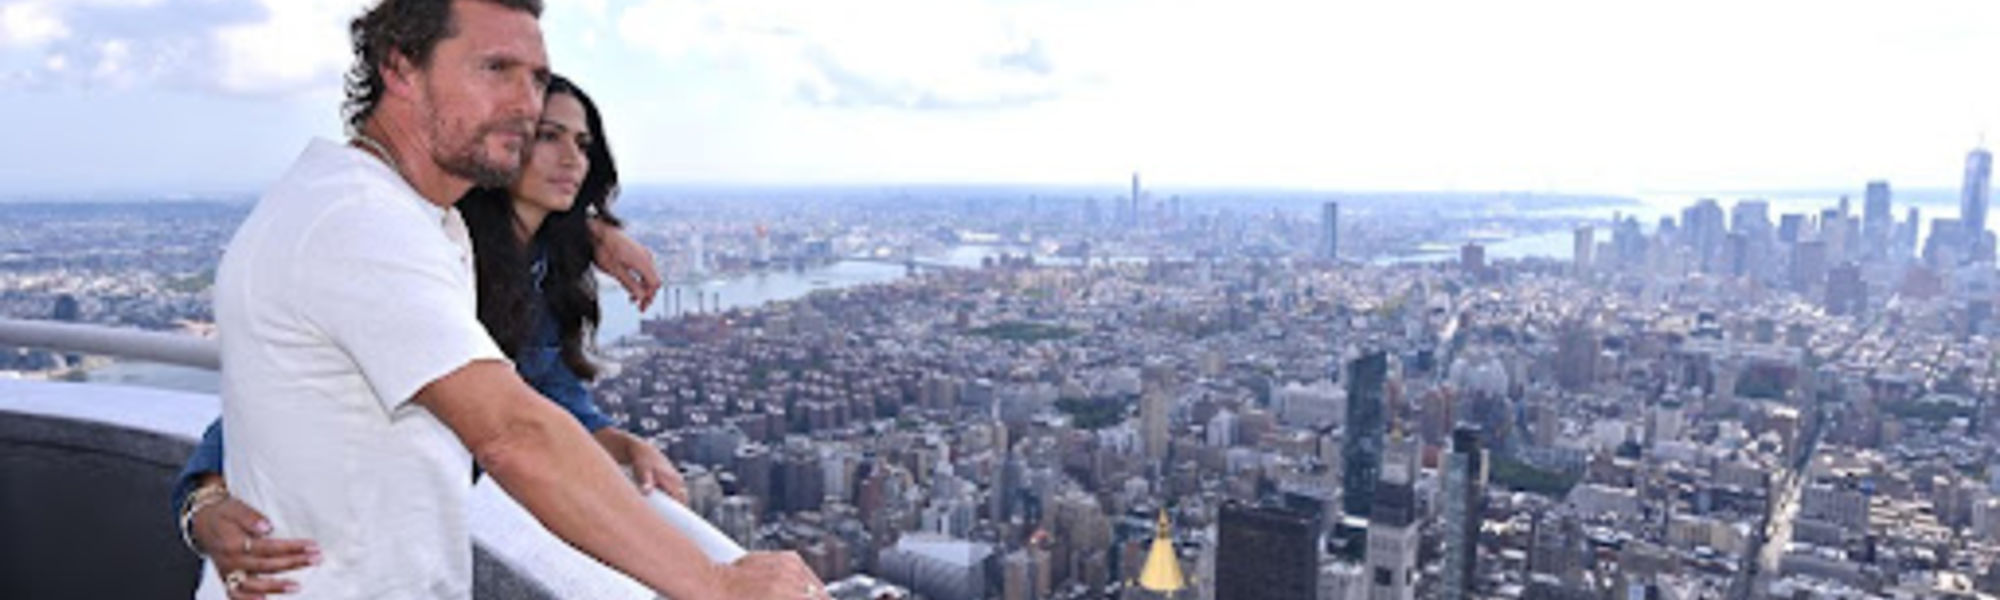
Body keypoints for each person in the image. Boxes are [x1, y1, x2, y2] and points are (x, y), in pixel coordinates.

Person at [201, 0, 824, 598]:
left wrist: (587, 232)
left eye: (536, 78)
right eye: (495, 68)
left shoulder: (417, 220)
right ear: (400, 67)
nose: (523, 103)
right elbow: (512, 432)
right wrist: (716, 584)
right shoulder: (361, 222)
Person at [173, 74, 687, 599]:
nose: (573, 158)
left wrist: (622, 445)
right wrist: (203, 501)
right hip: (317, 566)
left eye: (583, 144)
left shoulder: (540, 270)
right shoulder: (425, 256)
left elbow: (549, 393)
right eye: (548, 135)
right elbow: (276, 396)